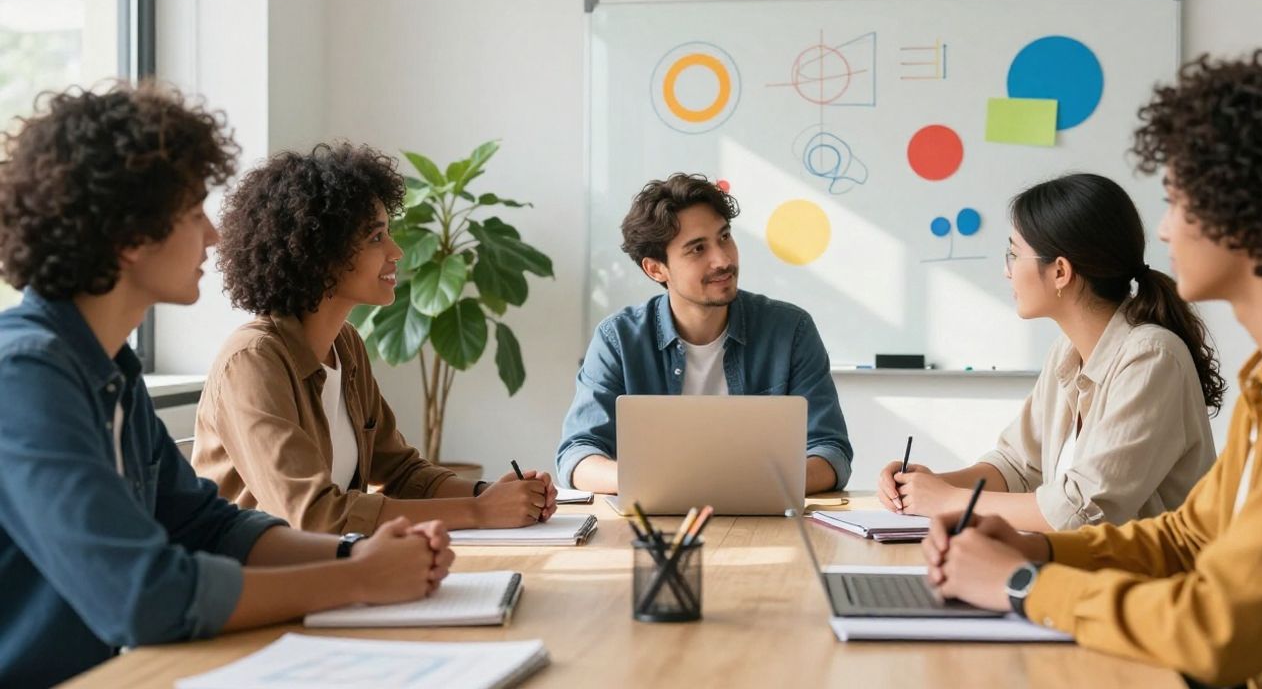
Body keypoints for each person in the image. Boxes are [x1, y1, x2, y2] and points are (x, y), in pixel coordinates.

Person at [924, 50, 1262, 688]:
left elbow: (1221, 629)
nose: (1162, 231)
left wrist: (1024, 585)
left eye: (1176, 203)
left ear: (1245, 216)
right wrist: (1037, 548)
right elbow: (1190, 538)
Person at [0, 84, 452, 688]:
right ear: (131, 236)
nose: (213, 236)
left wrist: (353, 554)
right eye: (193, 213)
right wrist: (359, 578)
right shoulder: (24, 375)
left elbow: (205, 527)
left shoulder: (112, 370)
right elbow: (145, 596)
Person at [193, 143, 556, 534]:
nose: (396, 251)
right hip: (257, 583)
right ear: (320, 250)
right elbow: (315, 514)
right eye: (376, 238)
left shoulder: (345, 346)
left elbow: (402, 473)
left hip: (330, 571)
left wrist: (489, 495)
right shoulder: (252, 361)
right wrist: (480, 513)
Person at [876, 173, 1221, 531]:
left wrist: (948, 500)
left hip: (1152, 583)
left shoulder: (1152, 358)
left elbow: (1083, 510)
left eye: (1013, 253)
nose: (1005, 270)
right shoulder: (1067, 351)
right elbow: (1017, 465)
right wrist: (930, 486)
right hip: (1087, 573)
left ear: (1059, 271)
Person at [556, 172, 853, 494]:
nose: (723, 260)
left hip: (766, 522)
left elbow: (830, 452)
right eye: (698, 249)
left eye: (724, 237)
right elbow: (578, 455)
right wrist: (660, 483)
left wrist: (745, 485)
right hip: (655, 526)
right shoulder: (618, 340)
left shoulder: (790, 330)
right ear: (656, 269)